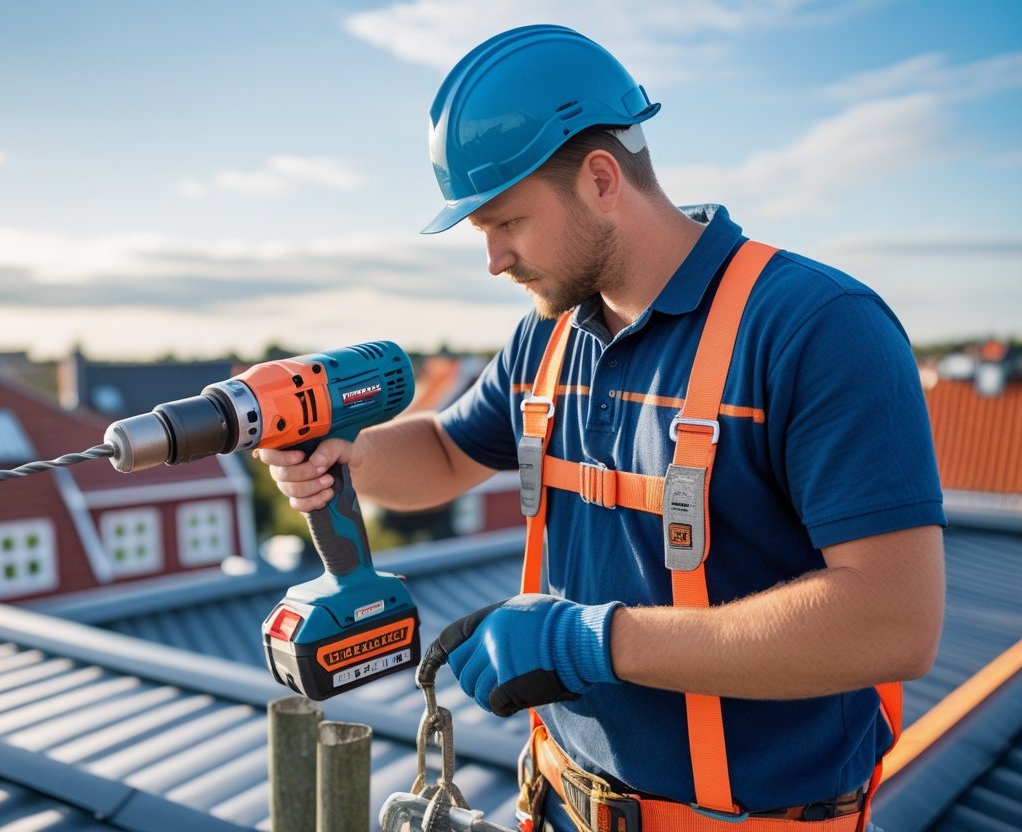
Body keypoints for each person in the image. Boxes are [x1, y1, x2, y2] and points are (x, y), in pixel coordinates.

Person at [257, 24, 945, 832]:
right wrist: (352, 454)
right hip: (558, 805)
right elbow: (446, 453)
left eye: (505, 223)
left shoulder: (815, 329)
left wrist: (593, 642)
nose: (495, 261)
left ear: (601, 179)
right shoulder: (546, 338)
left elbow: (894, 622)